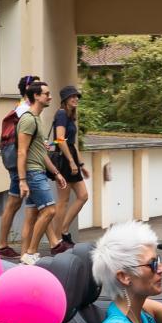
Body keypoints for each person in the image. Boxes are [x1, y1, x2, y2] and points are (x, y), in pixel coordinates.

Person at [15, 79, 68, 262]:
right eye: (46, 94)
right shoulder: (28, 120)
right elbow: (21, 151)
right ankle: (30, 253)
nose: (50, 96)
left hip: (37, 171)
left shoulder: (37, 119)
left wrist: (56, 173)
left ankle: (24, 257)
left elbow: (41, 152)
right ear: (36, 96)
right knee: (50, 211)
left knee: (32, 215)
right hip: (32, 173)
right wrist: (22, 180)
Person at [0, 75, 39, 260]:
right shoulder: (23, 109)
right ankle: (7, 246)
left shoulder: (21, 107)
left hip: (18, 162)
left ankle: (3, 244)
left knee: (15, 203)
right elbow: (24, 139)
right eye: (36, 86)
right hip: (21, 163)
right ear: (29, 89)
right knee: (38, 204)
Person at [50, 84, 89, 251]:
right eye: (72, 97)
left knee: (83, 196)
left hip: (71, 158)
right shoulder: (60, 114)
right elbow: (59, 139)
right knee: (63, 201)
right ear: (65, 100)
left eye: (77, 96)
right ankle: (58, 239)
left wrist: (81, 164)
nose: (75, 99)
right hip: (64, 160)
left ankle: (64, 231)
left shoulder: (70, 115)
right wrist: (71, 162)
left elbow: (72, 142)